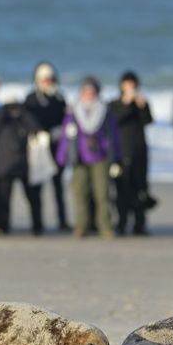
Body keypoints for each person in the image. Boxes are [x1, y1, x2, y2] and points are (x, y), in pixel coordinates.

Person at [55, 77, 122, 239]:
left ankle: (105, 226)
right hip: (79, 157)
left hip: (101, 157)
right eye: (86, 91)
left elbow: (114, 136)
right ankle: (81, 226)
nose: (88, 94)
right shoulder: (73, 112)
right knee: (79, 193)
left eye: (92, 91)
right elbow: (66, 135)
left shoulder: (104, 111)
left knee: (102, 194)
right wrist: (61, 156)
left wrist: (116, 158)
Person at [24, 62, 70, 231]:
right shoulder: (31, 98)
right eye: (44, 79)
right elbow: (26, 118)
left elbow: (66, 119)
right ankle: (37, 224)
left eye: (50, 79)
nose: (47, 82)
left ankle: (62, 221)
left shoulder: (59, 98)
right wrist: (38, 132)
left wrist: (60, 132)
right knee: (36, 186)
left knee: (58, 186)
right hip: (38, 148)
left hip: (57, 146)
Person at [109, 70, 155, 236]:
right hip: (120, 153)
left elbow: (148, 121)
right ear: (121, 86)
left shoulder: (141, 103)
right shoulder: (115, 104)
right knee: (121, 189)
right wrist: (127, 103)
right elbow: (114, 121)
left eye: (133, 84)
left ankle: (140, 224)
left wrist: (142, 107)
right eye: (127, 84)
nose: (130, 87)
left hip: (139, 152)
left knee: (140, 189)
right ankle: (121, 223)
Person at [0, 96, 43, 236]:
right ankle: (2, 226)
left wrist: (23, 112)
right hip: (4, 164)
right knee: (3, 199)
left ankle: (37, 226)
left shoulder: (25, 117)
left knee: (33, 198)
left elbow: (36, 128)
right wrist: (3, 112)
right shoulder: (1, 118)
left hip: (26, 163)